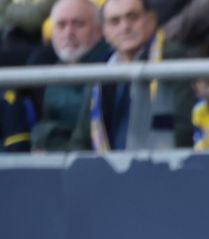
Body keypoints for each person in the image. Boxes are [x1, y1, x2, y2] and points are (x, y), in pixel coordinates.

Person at [85, 0, 194, 150]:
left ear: (152, 20)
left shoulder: (174, 59)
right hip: (109, 168)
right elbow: (83, 137)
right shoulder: (101, 69)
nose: (125, 27)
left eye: (133, 17)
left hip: (163, 166)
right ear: (104, 31)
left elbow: (186, 127)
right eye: (115, 21)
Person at [24, 0, 109, 152]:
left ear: (100, 29)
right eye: (61, 25)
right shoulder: (55, 70)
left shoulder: (110, 66)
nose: (69, 33)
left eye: (78, 24)